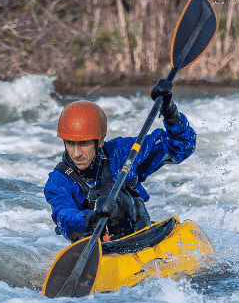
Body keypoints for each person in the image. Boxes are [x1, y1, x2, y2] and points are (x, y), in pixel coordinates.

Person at [44, 79, 196, 242]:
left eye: (83, 144)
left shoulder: (122, 152)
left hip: (142, 237)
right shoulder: (58, 181)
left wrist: (169, 112)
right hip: (100, 250)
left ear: (100, 141)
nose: (76, 153)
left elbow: (182, 146)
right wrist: (92, 218)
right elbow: (64, 217)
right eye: (70, 144)